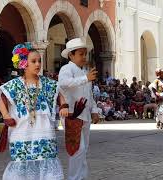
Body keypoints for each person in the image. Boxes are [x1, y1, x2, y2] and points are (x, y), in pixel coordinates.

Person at [0, 43, 67, 180]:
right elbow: (2, 97)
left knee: (47, 159)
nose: (38, 64)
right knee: (21, 162)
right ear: (24, 64)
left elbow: (59, 94)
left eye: (39, 61)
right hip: (21, 130)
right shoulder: (15, 84)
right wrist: (6, 116)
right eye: (33, 61)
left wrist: (64, 106)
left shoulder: (47, 83)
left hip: (44, 129)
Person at [59, 37, 99, 180]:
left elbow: (89, 94)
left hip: (85, 115)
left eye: (85, 53)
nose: (84, 57)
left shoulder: (84, 72)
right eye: (81, 54)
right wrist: (85, 79)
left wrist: (94, 110)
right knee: (77, 149)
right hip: (72, 115)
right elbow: (62, 84)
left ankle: (81, 177)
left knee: (84, 150)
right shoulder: (66, 69)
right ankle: (73, 178)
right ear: (71, 55)